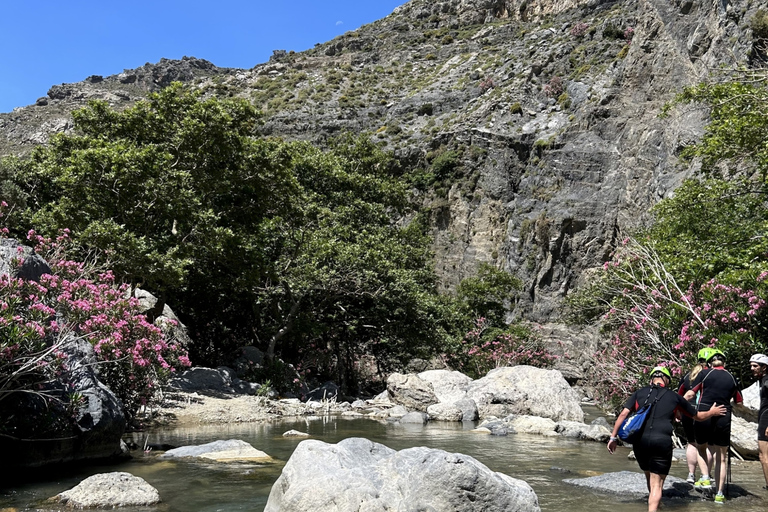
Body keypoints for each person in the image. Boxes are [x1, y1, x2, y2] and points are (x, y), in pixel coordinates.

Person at [608, 366, 726, 512]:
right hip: (661, 441)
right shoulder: (674, 397)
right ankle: (653, 509)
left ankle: (657, 506)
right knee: (657, 483)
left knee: (649, 476)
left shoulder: (639, 393)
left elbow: (623, 415)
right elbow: (698, 416)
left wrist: (613, 437)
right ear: (666, 379)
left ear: (652, 379)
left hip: (640, 442)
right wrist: (712, 412)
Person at [684, 349, 743, 504]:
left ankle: (705, 478)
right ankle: (719, 494)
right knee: (721, 458)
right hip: (724, 415)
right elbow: (739, 401)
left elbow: (691, 394)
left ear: (710, 363)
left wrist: (678, 403)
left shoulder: (705, 374)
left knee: (701, 447)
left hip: (704, 412)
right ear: (724, 363)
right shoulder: (732, 377)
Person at [677, 348, 714, 484]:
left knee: (692, 443)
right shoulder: (711, 375)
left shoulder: (688, 376)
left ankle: (691, 475)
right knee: (709, 445)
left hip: (688, 413)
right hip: (707, 413)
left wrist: (678, 411)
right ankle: (707, 475)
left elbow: (680, 395)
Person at [750, 353, 768, 490]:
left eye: (755, 366)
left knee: (763, 456)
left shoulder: (767, 381)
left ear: (764, 367)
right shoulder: (763, 380)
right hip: (764, 416)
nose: (752, 368)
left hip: (766, 418)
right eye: (751, 365)